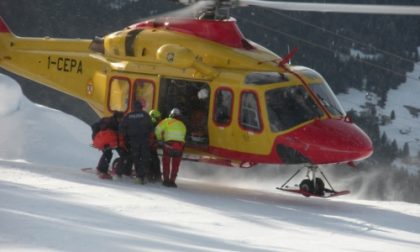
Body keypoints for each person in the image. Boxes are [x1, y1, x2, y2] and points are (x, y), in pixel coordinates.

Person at [120, 100, 153, 184]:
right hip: (144, 139)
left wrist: (125, 137)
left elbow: (122, 128)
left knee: (136, 157)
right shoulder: (145, 115)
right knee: (145, 158)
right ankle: (143, 175)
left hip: (133, 140)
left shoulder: (128, 116)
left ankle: (139, 176)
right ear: (141, 107)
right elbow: (151, 128)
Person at [155, 108, 187, 188]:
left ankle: (166, 181)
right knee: (175, 165)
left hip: (169, 145)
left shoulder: (166, 121)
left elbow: (157, 130)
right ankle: (172, 181)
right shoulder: (182, 124)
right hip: (180, 147)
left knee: (166, 163)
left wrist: (159, 139)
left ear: (171, 115)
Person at [91, 111, 126, 179]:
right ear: (117, 117)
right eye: (121, 118)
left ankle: (103, 168)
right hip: (104, 141)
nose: (122, 120)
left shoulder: (115, 122)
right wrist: (97, 138)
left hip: (112, 141)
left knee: (122, 153)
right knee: (108, 153)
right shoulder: (109, 122)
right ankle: (102, 171)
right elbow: (96, 127)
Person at [148, 109, 162, 182]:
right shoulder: (151, 125)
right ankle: (151, 176)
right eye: (158, 118)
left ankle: (155, 176)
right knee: (152, 160)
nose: (159, 120)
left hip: (152, 146)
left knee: (155, 160)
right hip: (149, 146)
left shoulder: (153, 125)